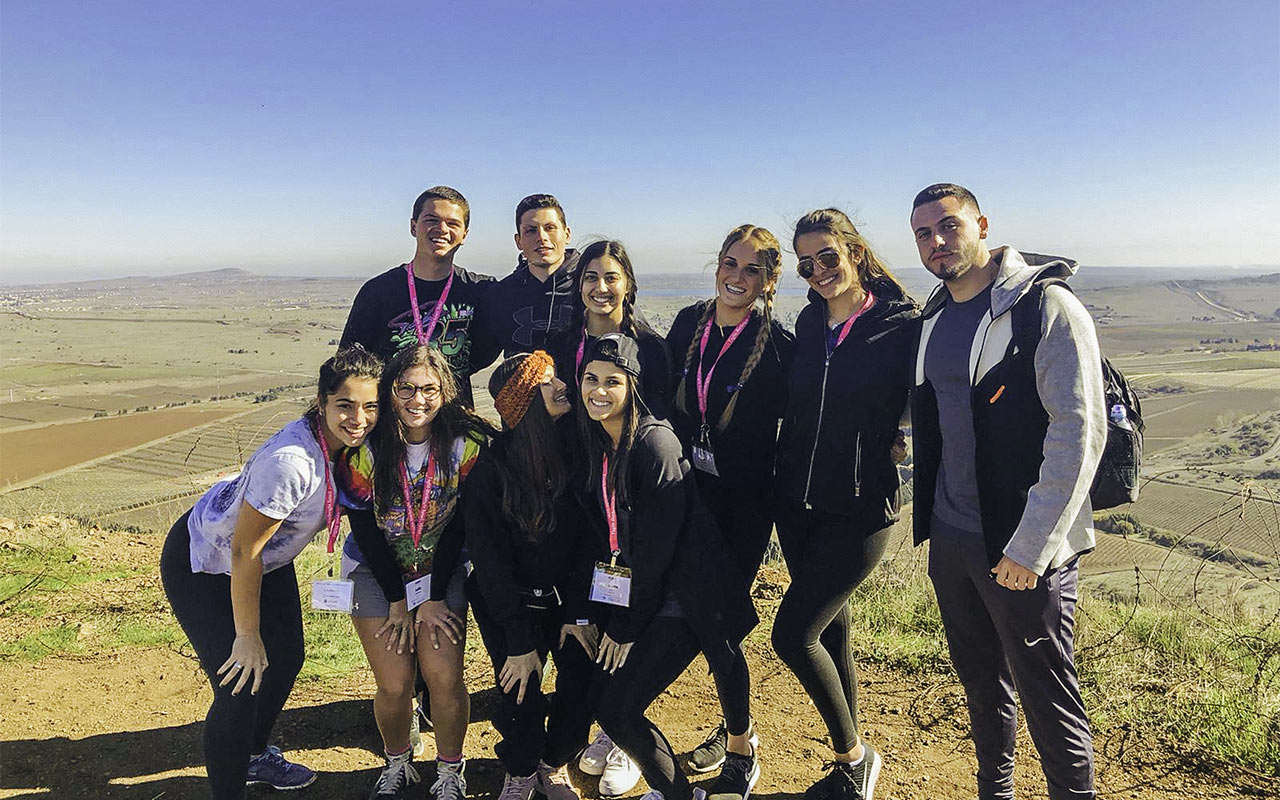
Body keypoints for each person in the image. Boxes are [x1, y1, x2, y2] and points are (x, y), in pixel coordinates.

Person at [908, 183, 1103, 800]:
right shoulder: (934, 314)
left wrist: (1032, 547)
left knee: (1047, 692)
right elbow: (937, 411)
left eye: (948, 226)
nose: (937, 242)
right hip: (952, 534)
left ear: (981, 224)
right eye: (922, 234)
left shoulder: (1045, 307)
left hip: (1022, 546)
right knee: (980, 679)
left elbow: (1078, 434)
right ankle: (996, 788)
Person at [160, 345, 382, 800]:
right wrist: (246, 634)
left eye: (370, 406)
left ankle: (255, 756)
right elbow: (244, 550)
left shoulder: (349, 447)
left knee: (286, 659)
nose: (358, 418)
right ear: (322, 403)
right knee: (240, 681)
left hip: (265, 560)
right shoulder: (292, 463)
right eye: (345, 405)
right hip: (205, 561)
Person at [771, 209, 919, 800]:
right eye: (806, 264)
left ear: (855, 251)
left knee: (792, 635)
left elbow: (933, 396)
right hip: (797, 504)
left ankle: (853, 755)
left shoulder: (902, 323)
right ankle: (849, 765)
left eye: (828, 257)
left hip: (861, 507)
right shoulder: (809, 324)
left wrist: (902, 435)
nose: (818, 272)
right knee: (832, 627)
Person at [576, 333, 758, 800]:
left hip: (686, 597)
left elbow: (658, 551)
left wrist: (626, 625)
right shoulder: (602, 440)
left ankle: (679, 795)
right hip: (649, 590)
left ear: (632, 386)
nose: (598, 390)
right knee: (607, 701)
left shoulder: (654, 445)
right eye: (590, 379)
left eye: (612, 381)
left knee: (617, 707)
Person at [665, 224, 795, 793]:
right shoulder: (687, 324)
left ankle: (740, 743)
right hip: (683, 496)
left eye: (752, 270)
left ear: (768, 282)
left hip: (742, 511)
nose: (736, 278)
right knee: (660, 611)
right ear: (716, 265)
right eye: (729, 264)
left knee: (718, 626)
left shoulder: (781, 348)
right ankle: (621, 723)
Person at [340, 344, 493, 800]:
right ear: (389, 392)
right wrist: (397, 600)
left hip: (441, 568)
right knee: (394, 681)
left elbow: (461, 525)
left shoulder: (468, 443)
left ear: (445, 391)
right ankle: (398, 761)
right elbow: (365, 531)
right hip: (375, 569)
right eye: (405, 388)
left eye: (428, 388)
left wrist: (429, 598)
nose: (417, 399)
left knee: (444, 676)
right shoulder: (365, 449)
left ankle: (450, 771)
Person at [462, 351, 598, 800]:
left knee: (581, 689)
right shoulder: (490, 473)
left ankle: (551, 762)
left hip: (566, 600)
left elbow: (587, 543)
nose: (563, 386)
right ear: (524, 402)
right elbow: (490, 564)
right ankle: (519, 771)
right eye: (547, 382)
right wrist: (518, 640)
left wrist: (577, 613)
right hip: (508, 604)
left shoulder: (578, 453)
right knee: (520, 693)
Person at [340, 186, 499, 406]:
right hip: (390, 426)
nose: (442, 229)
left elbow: (489, 348)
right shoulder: (378, 291)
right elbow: (349, 365)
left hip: (455, 422)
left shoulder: (480, 291)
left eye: (453, 223)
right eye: (431, 220)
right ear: (413, 226)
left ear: (464, 234)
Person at [548, 239, 671, 418]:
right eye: (591, 278)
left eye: (611, 278)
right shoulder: (561, 344)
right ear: (580, 285)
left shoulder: (650, 347)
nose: (601, 287)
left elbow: (658, 417)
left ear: (628, 285)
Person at [472, 194, 582, 360]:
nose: (542, 237)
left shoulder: (592, 286)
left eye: (550, 228)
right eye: (531, 231)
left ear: (567, 234)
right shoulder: (500, 296)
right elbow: (475, 358)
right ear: (518, 241)